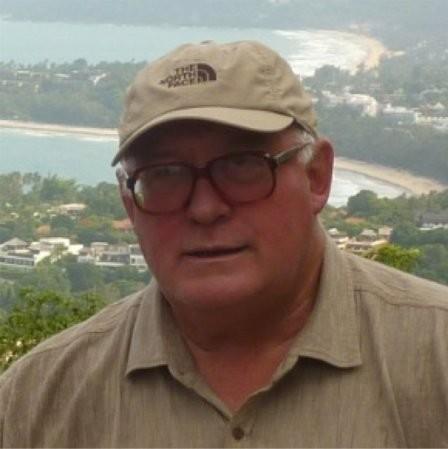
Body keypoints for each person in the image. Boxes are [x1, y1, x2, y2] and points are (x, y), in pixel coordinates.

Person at [1, 40, 447, 448]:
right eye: (165, 175)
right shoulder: (38, 403)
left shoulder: (434, 356)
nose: (205, 207)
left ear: (317, 177)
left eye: (242, 164)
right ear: (130, 205)